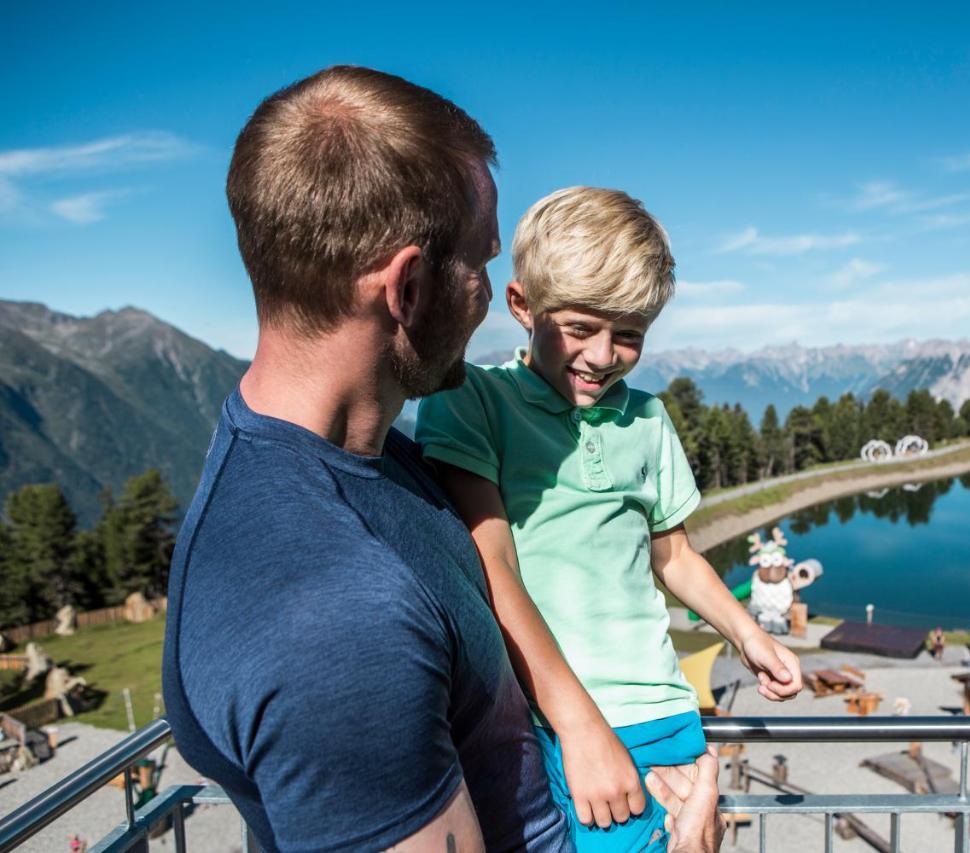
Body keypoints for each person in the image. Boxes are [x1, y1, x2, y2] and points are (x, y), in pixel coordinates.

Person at [161, 66, 723, 853]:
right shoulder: (333, 620)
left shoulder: (366, 463)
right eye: (483, 265)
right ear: (411, 287)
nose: (494, 296)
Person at [417, 186, 802, 850]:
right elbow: (491, 562)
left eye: (629, 335)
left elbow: (673, 555)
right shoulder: (474, 399)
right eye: (579, 327)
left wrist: (747, 633)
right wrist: (578, 725)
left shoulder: (647, 419)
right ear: (520, 305)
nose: (602, 355)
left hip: (663, 713)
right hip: (556, 721)